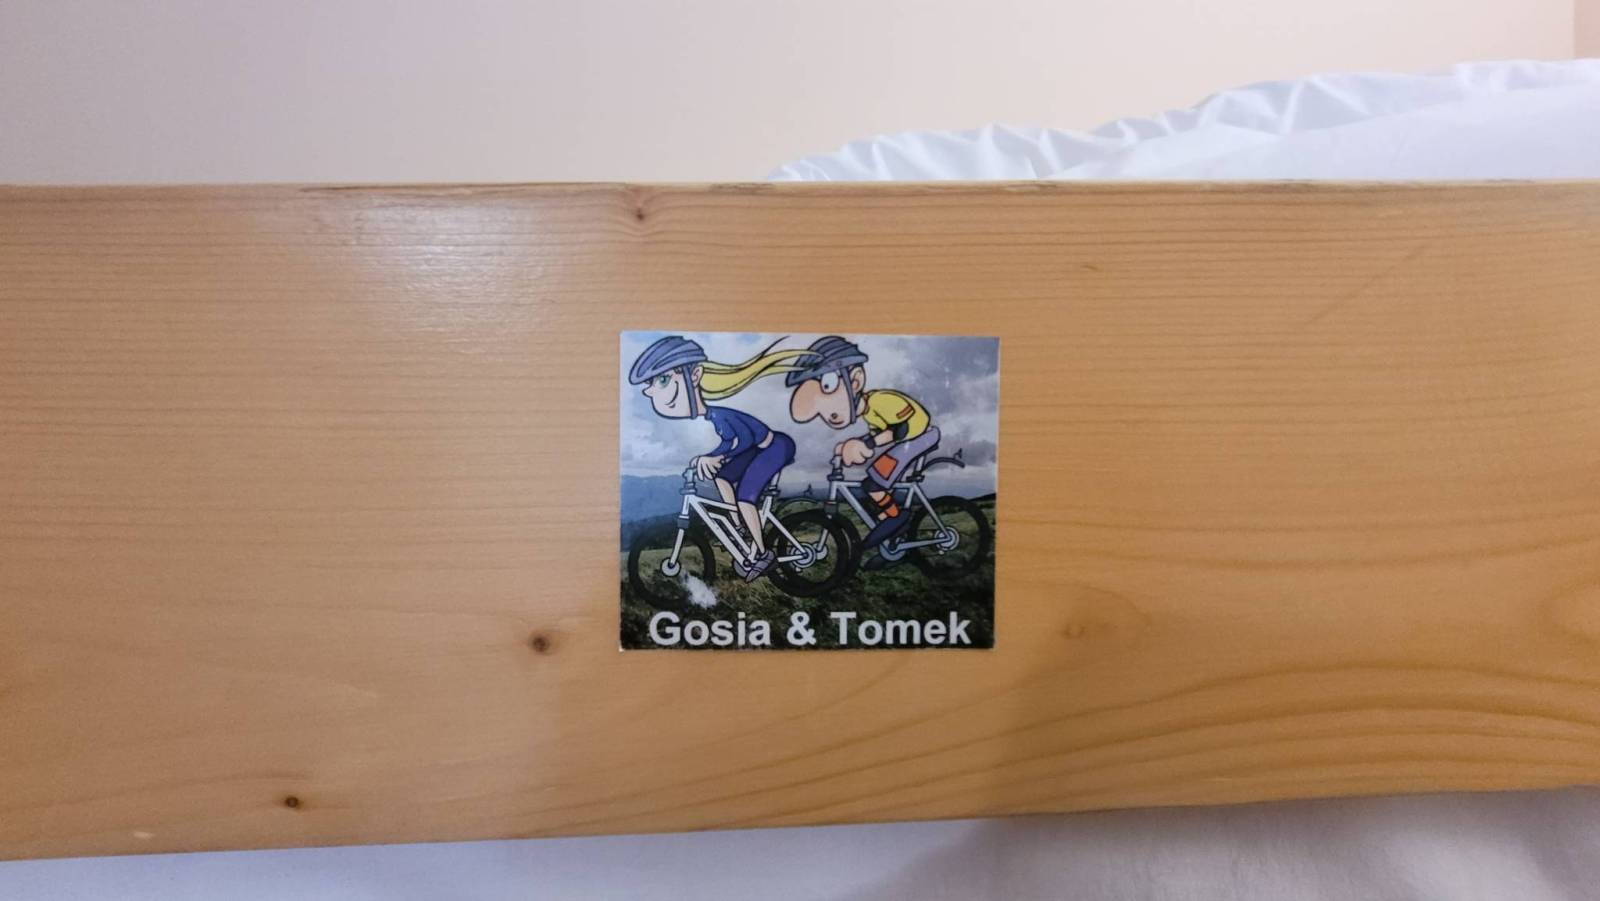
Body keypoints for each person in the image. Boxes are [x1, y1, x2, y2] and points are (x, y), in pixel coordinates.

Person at [629, 335, 805, 581]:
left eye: (664, 380)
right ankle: (739, 527)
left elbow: (742, 440)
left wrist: (714, 456)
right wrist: (708, 458)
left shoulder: (719, 417)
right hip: (758, 448)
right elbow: (729, 442)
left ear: (695, 375)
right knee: (722, 478)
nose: (652, 392)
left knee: (745, 498)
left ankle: (763, 554)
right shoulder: (713, 417)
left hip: (774, 446)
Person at [786, 336, 940, 550]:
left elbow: (901, 428)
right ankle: (894, 531)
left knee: (874, 483)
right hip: (910, 439)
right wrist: (856, 446)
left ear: (855, 381)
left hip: (919, 436)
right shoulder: (869, 414)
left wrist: (867, 443)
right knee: (869, 490)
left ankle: (896, 518)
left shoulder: (880, 400)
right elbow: (881, 433)